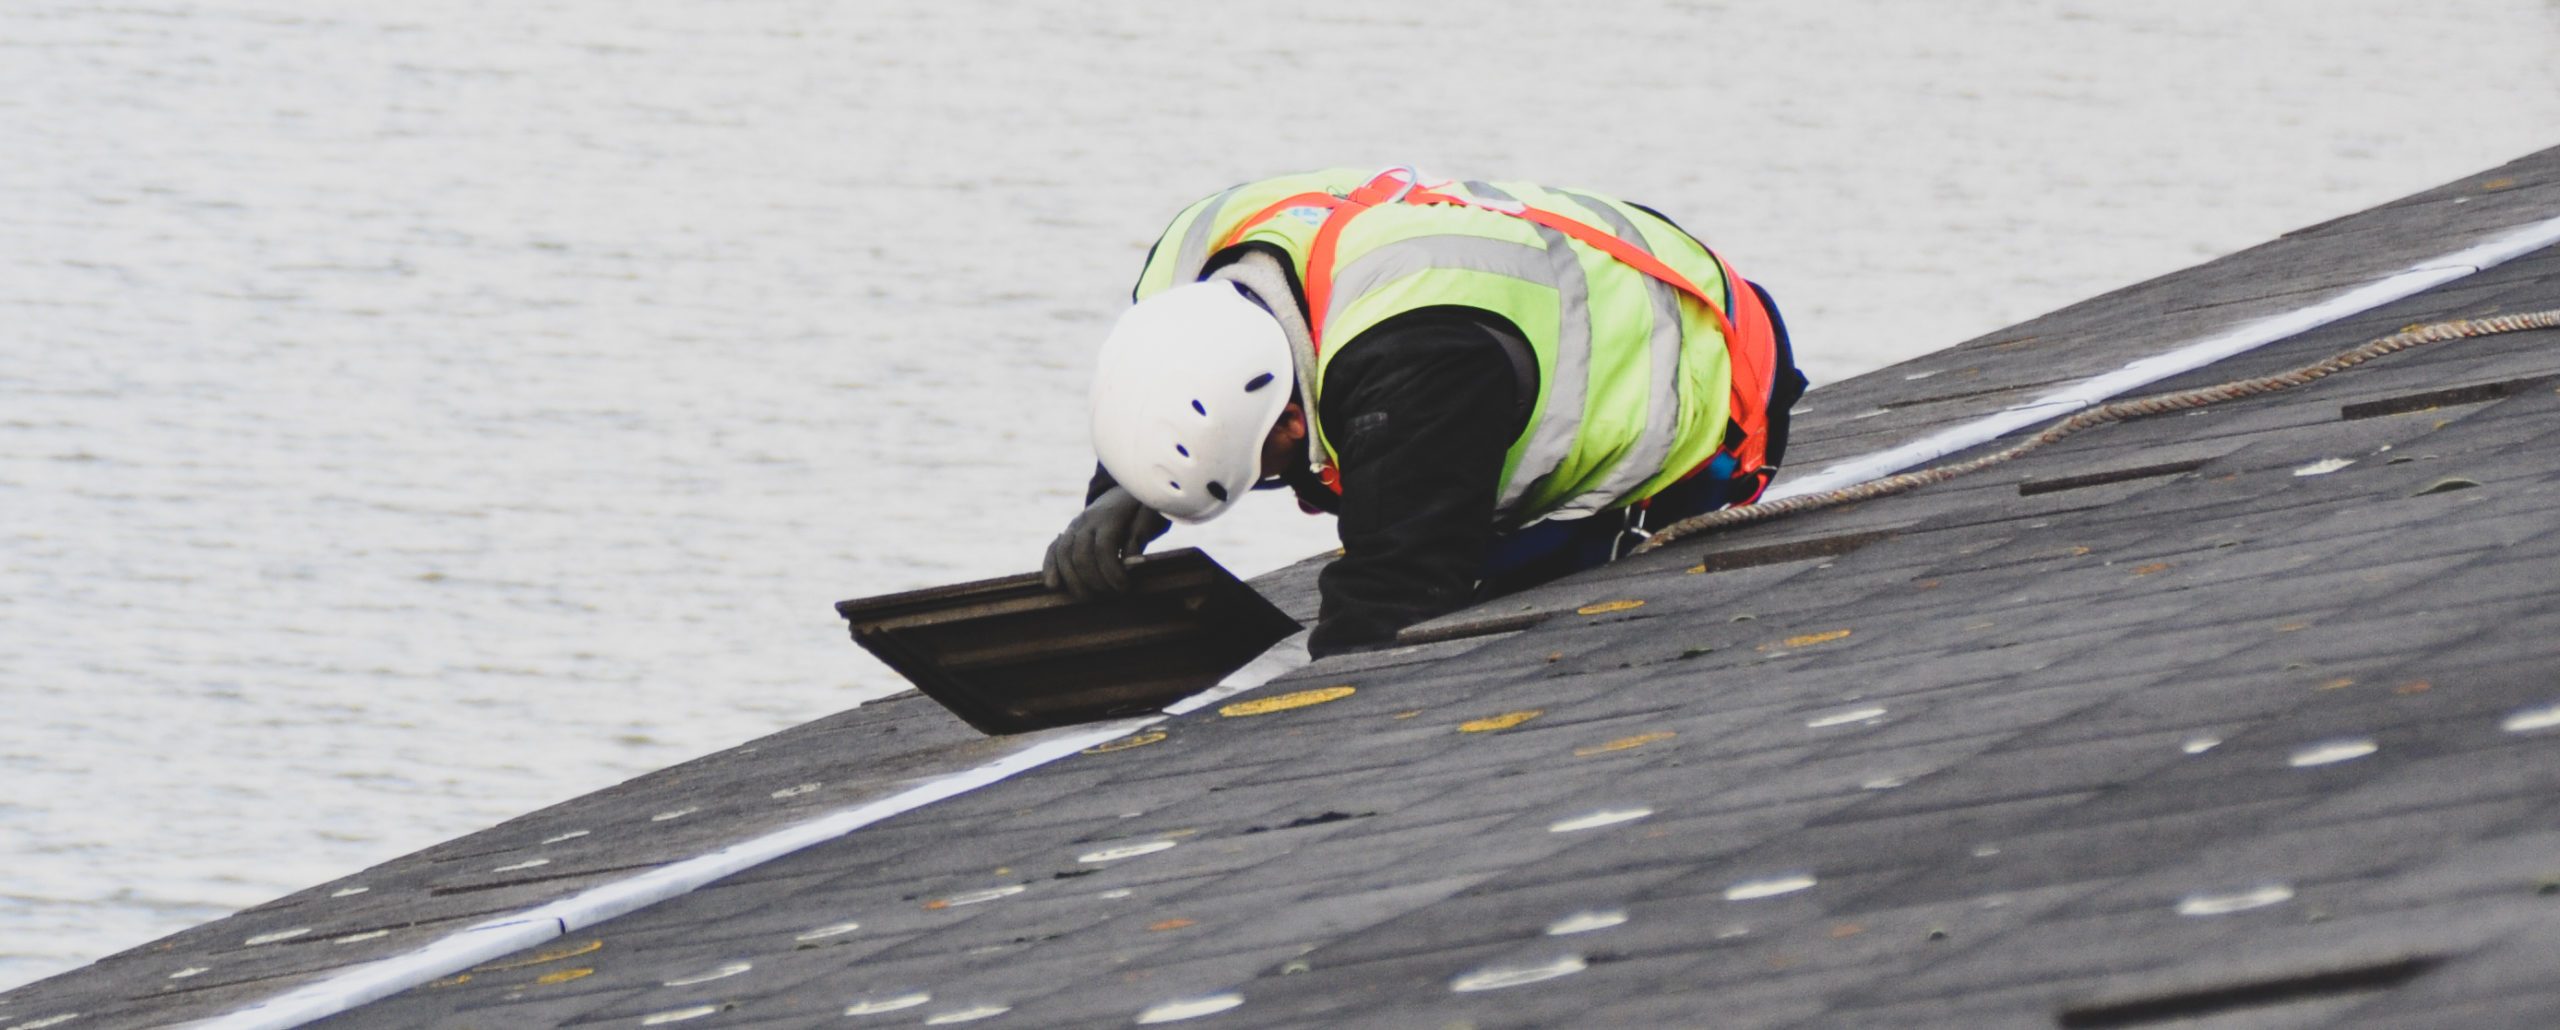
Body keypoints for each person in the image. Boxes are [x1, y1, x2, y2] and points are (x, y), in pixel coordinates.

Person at [1043, 167, 1806, 658]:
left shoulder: (1414, 368)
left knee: (1461, 601)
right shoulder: (1187, 262)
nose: (1281, 481)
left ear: (1290, 422)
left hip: (1712, 368)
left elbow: (1391, 592)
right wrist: (1123, 488)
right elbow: (1166, 376)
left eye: (1266, 472)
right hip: (1553, 268)